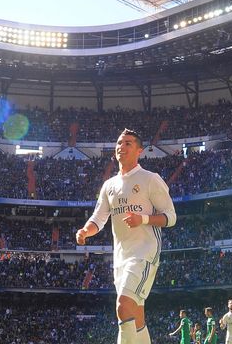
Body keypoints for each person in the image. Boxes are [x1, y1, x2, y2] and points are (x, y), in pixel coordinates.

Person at [76, 128, 177, 344]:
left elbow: (171, 217)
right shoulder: (109, 185)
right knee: (136, 315)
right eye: (120, 143)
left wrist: (143, 219)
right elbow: (99, 218)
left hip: (144, 253)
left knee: (122, 305)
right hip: (121, 257)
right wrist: (85, 230)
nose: (122, 146)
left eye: (128, 143)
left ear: (139, 150)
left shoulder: (150, 179)